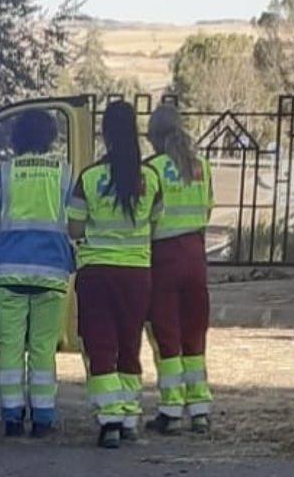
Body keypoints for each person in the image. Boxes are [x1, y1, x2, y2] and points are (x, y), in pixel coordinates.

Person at [67, 101, 162, 449]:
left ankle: (108, 421)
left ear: (105, 134)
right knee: (129, 344)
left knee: (101, 345)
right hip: (137, 274)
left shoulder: (89, 179)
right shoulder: (150, 179)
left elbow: (74, 228)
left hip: (96, 274)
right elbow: (156, 222)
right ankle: (129, 416)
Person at [0, 110, 74, 438]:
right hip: (51, 272)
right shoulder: (64, 174)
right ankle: (43, 417)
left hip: (9, 270)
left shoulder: (5, 173)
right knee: (42, 347)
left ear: (17, 137)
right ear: (50, 137)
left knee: (9, 346)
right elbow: (74, 217)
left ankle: (11, 415)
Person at [144, 103, 216, 434]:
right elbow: (208, 210)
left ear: (153, 136)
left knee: (168, 337)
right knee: (195, 335)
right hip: (196, 257)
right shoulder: (202, 166)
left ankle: (171, 411)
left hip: (164, 258)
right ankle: (199, 409)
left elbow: (148, 215)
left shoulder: (153, 169)